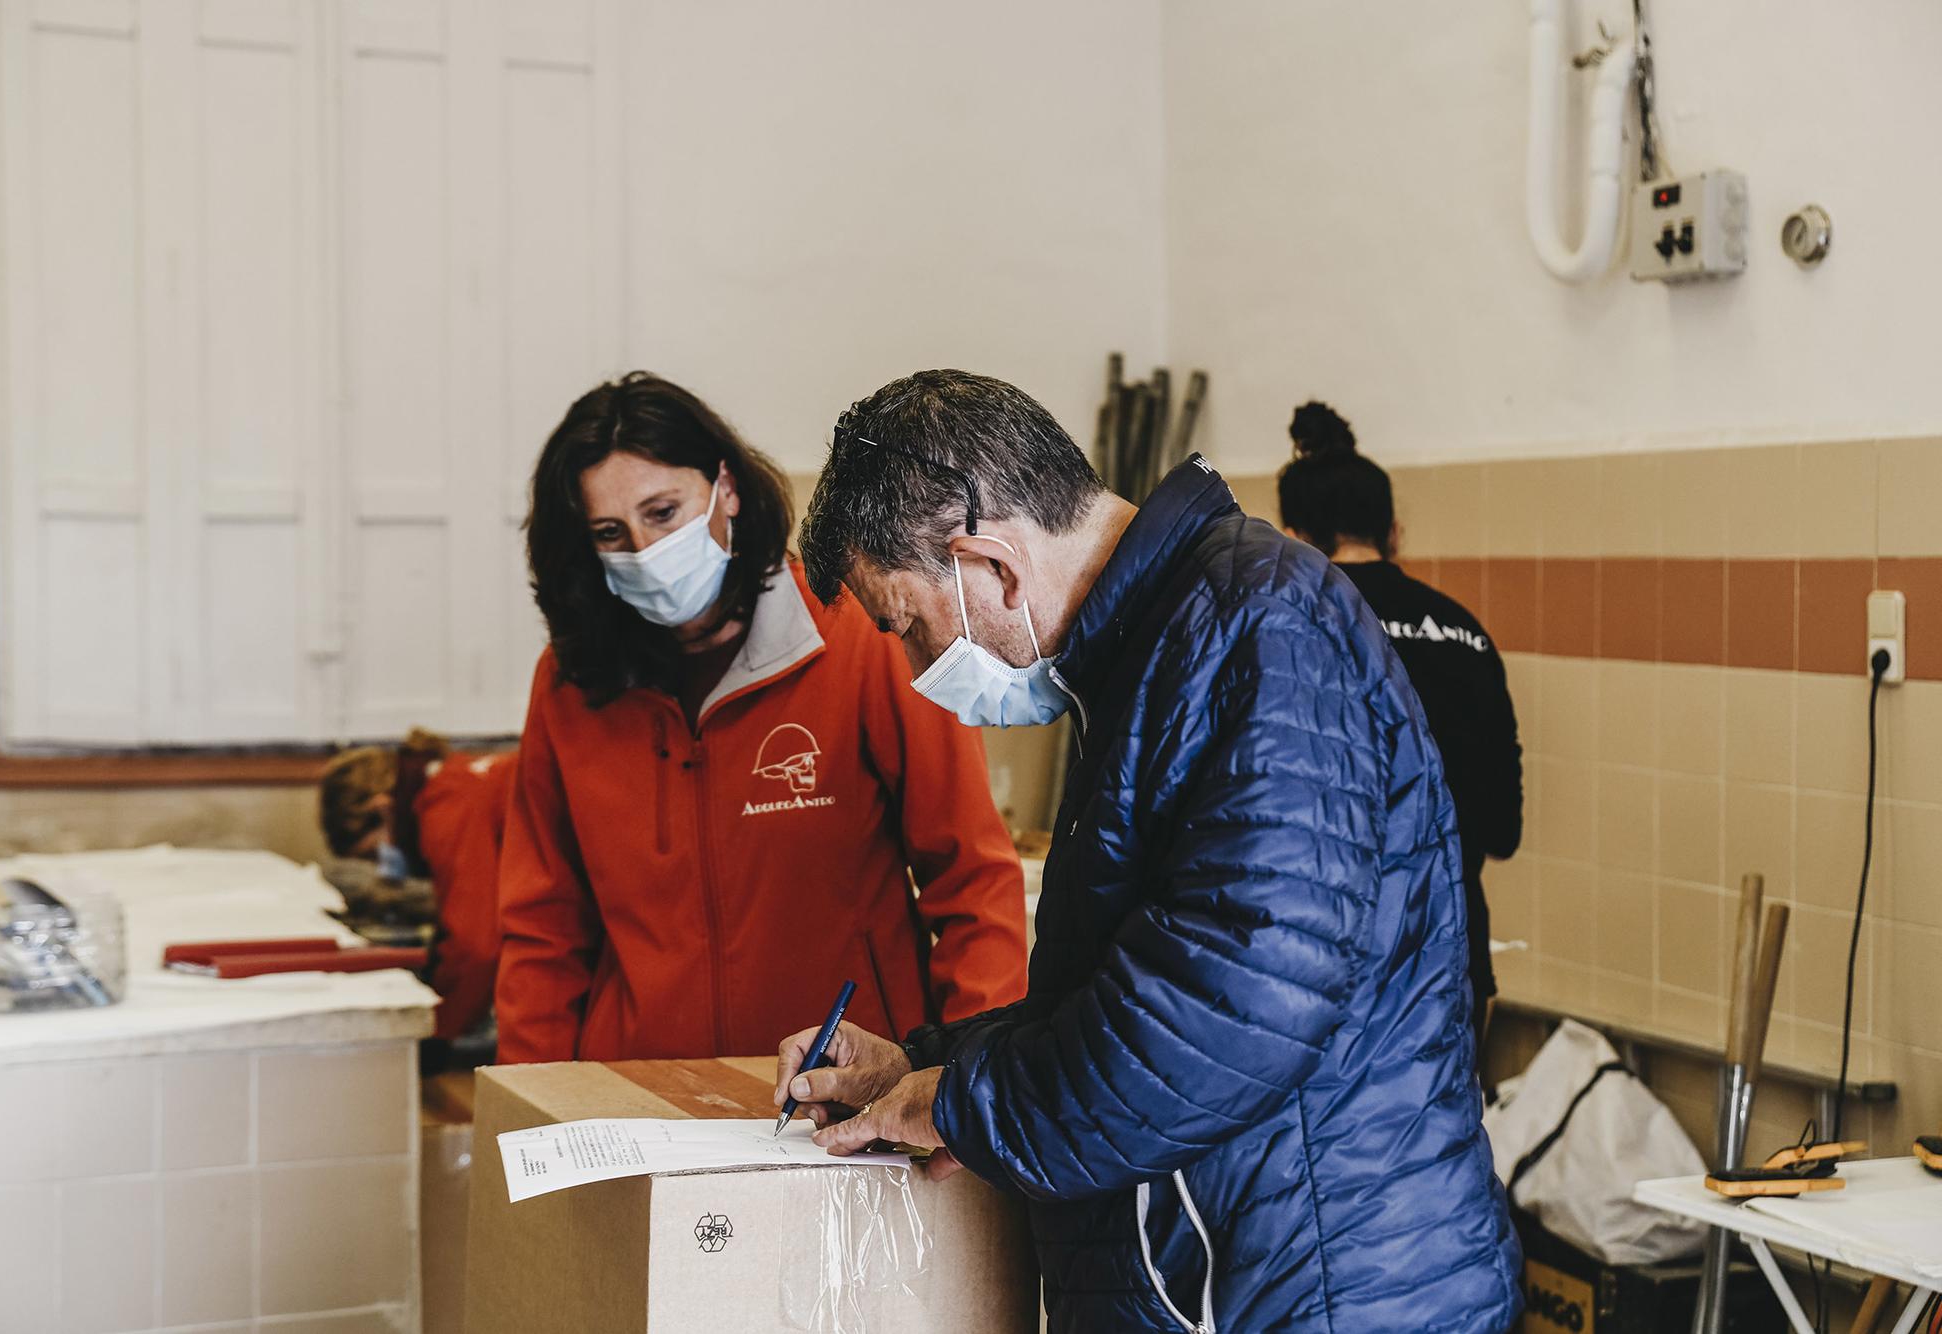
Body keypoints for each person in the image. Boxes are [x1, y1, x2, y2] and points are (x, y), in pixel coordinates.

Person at [775, 370, 1520, 1332]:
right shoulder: (1157, 652)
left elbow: (1232, 1013)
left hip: (1324, 1297)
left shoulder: (1262, 628)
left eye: (913, 629)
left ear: (990, 564)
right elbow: (1127, 991)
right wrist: (924, 1065)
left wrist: (965, 1107)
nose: (921, 675)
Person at [496, 372, 1029, 1065]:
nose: (645, 552)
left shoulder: (858, 638)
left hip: (841, 1096)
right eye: (610, 532)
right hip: (642, 1096)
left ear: (727, 489)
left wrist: (968, 1083)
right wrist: (533, 1109)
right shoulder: (572, 683)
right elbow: (544, 928)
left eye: (662, 512)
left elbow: (972, 880)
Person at [1277, 400, 1523, 1051]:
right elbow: (1504, 827)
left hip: (1331, 976)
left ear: (1294, 537)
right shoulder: (1465, 631)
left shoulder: (1291, 628)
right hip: (1457, 964)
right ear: (1395, 531)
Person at [319, 728, 517, 1045]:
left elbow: (476, 947)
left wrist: (437, 1032)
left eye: (373, 853)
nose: (383, 867)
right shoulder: (454, 780)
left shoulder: (446, 808)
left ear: (382, 808)